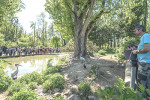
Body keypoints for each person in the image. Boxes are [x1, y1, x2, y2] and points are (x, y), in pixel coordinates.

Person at [133, 25, 150, 91]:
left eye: (135, 30)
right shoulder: (144, 37)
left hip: (144, 64)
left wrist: (137, 51)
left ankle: (141, 97)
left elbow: (147, 48)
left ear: (140, 30)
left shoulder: (146, 36)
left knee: (141, 83)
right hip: (144, 63)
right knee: (146, 83)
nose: (135, 32)